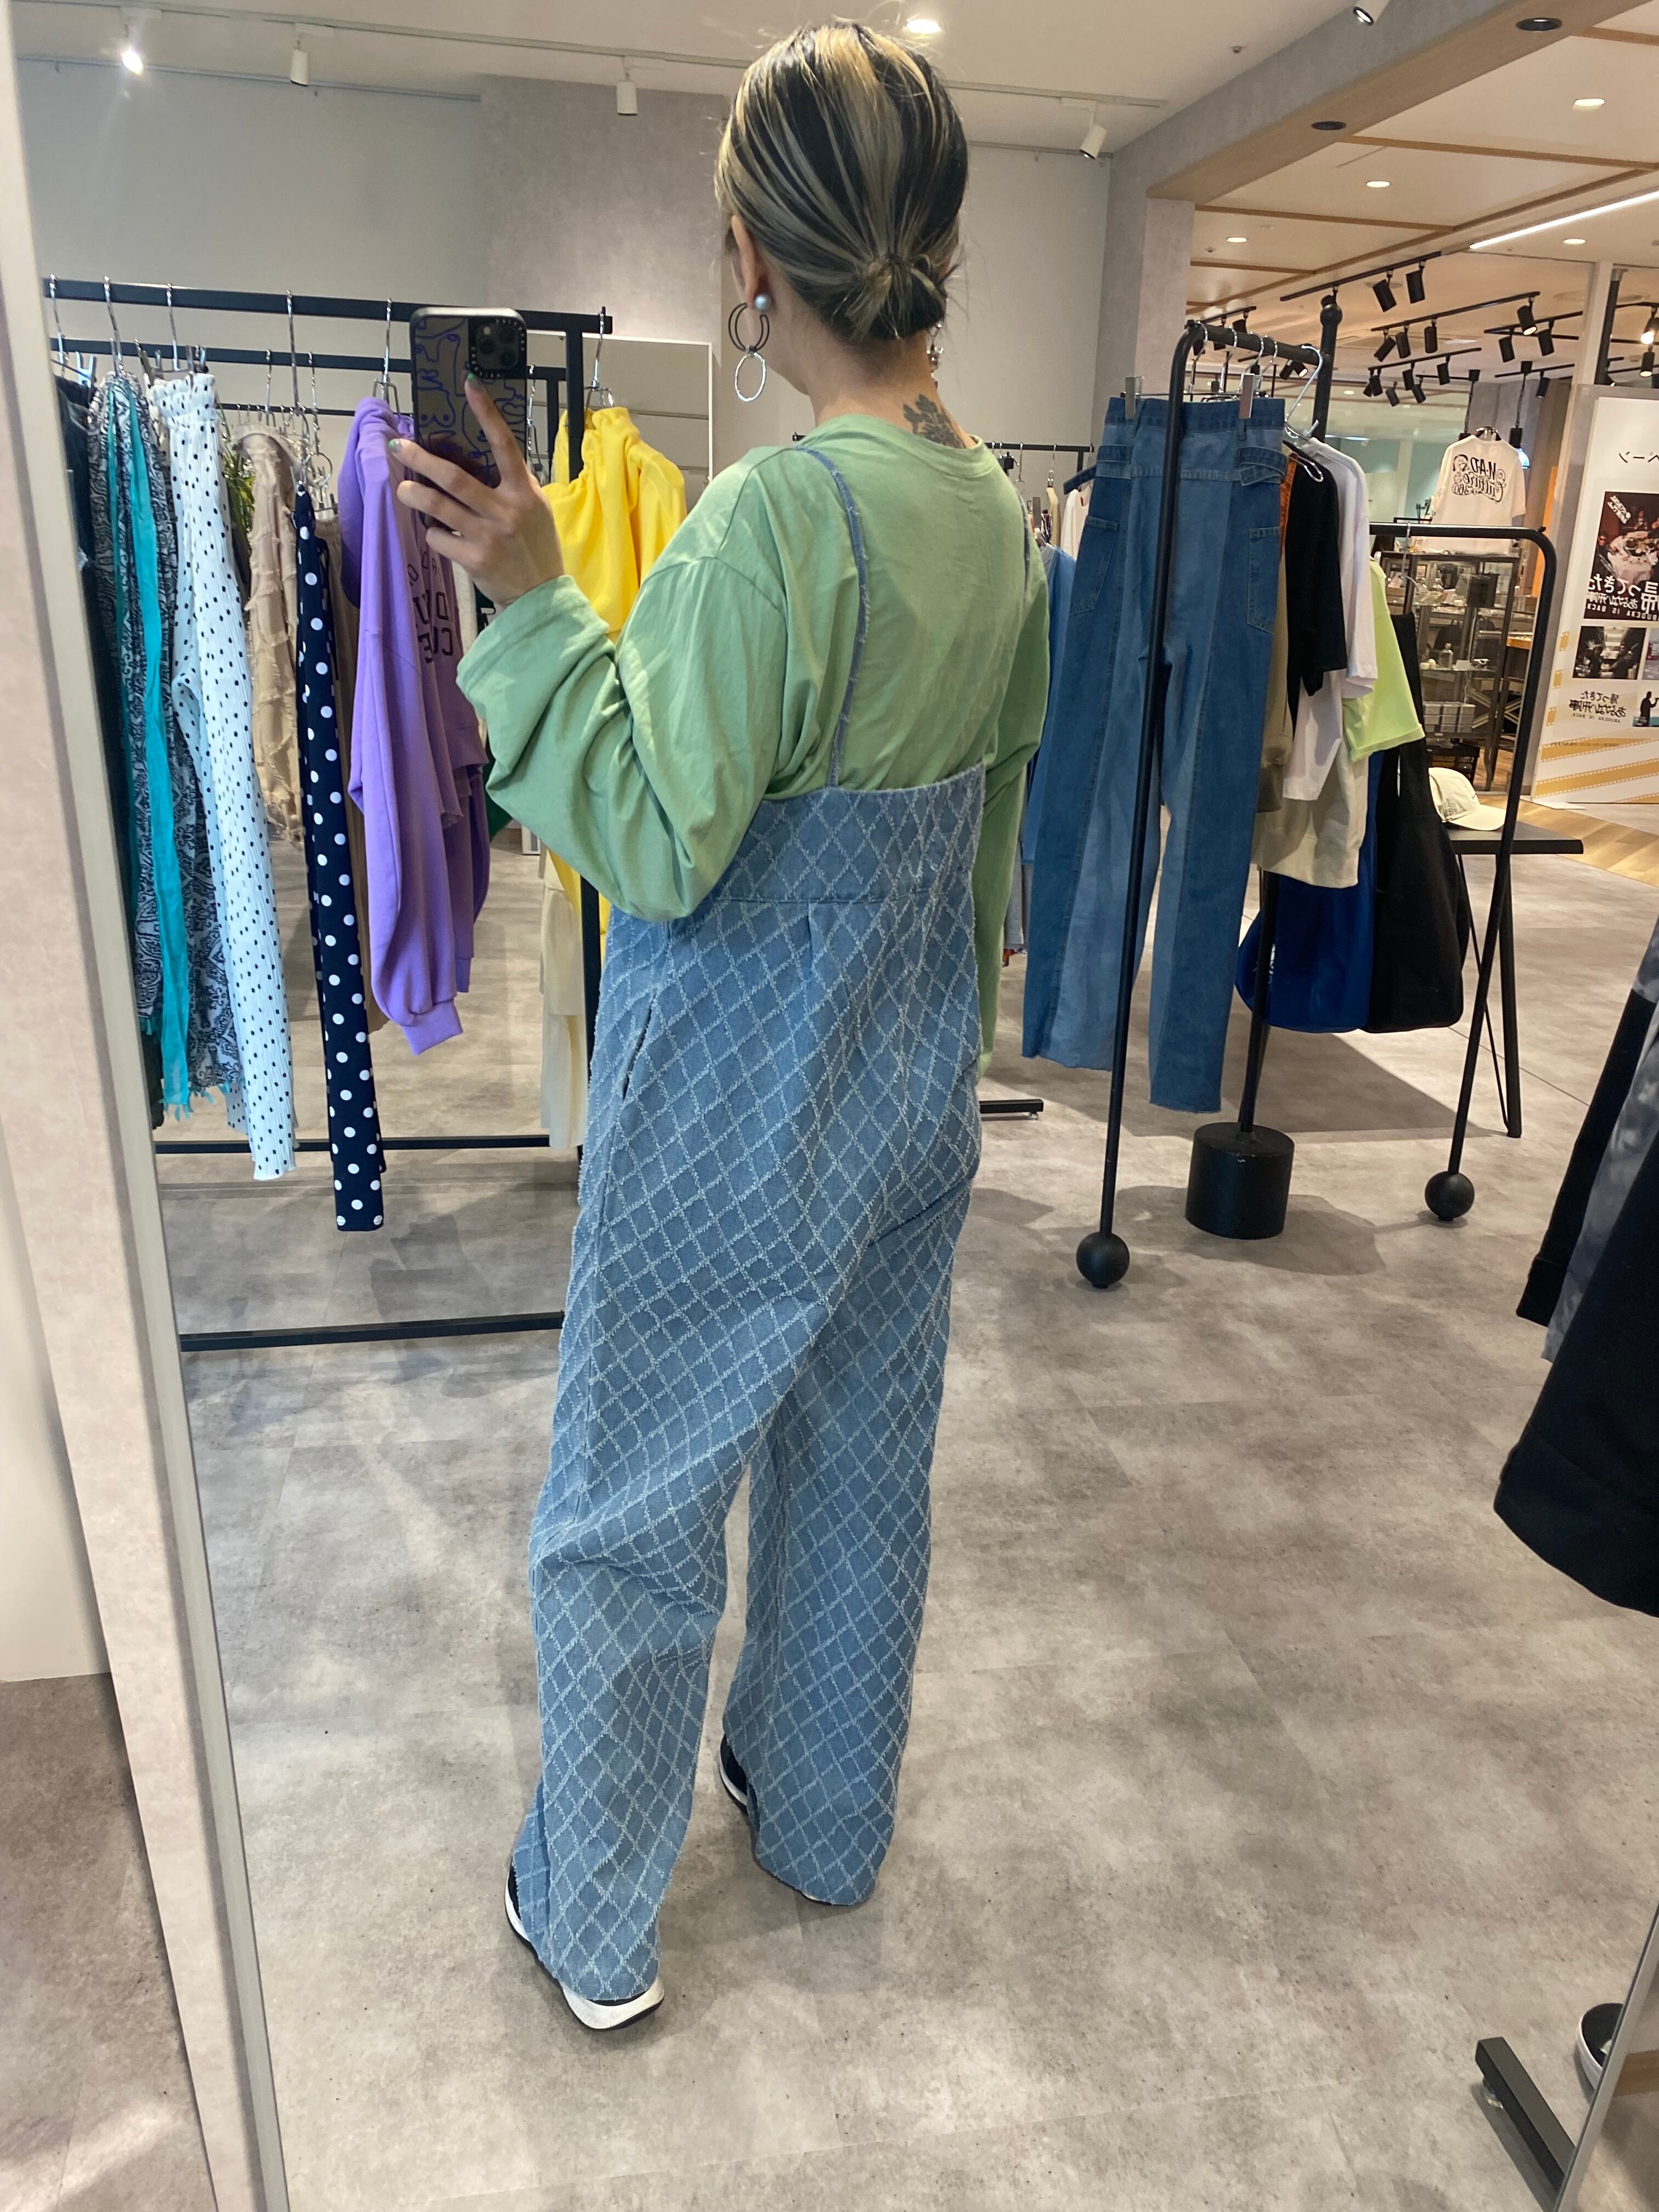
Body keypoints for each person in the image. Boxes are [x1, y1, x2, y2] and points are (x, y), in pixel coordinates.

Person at [393, 22, 1047, 2031]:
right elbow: (992, 843)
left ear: (755, 254)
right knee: (860, 1462)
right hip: (908, 1081)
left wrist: (530, 593)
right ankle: (825, 1816)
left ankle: (593, 1916)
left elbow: (648, 830)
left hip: (731, 1102)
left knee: (637, 1497)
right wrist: (944, 1044)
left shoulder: (772, 522)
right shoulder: (994, 512)